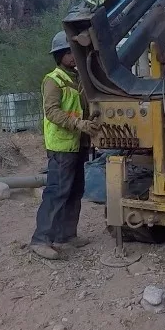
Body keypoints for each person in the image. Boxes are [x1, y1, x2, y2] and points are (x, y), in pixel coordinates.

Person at [30, 31, 101, 260]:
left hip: (78, 144)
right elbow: (51, 111)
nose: (74, 56)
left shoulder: (78, 79)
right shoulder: (54, 80)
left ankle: (66, 235)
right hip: (62, 146)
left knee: (75, 191)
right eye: (70, 52)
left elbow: (85, 108)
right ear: (60, 55)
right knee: (56, 193)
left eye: (75, 52)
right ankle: (41, 240)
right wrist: (77, 123)